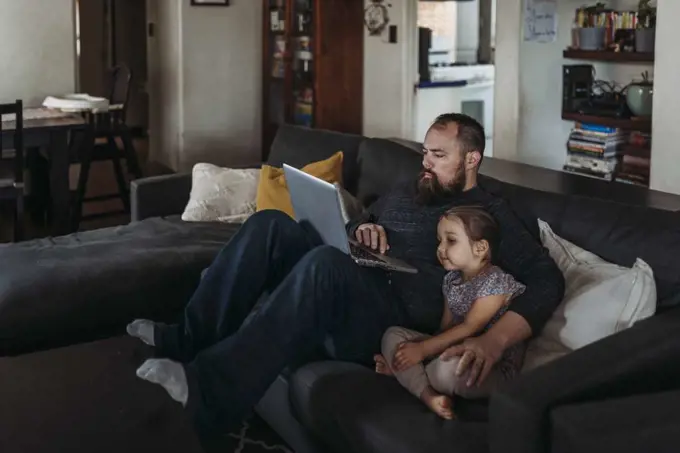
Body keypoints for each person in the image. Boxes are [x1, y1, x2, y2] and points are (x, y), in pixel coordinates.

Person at [126, 113, 565, 449]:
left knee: (325, 265)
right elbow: (365, 219)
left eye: (438, 155)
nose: (425, 163)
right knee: (272, 224)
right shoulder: (412, 189)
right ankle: (184, 338)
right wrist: (362, 231)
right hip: (361, 281)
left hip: (394, 320)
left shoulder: (493, 214)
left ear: (472, 160)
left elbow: (546, 281)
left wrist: (493, 342)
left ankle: (210, 393)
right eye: (425, 151)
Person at [375, 205, 527, 420]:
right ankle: (428, 396)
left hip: (490, 366)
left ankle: (407, 376)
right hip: (454, 349)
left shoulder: (496, 282)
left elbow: (469, 328)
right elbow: (446, 328)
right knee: (393, 335)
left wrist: (422, 350)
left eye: (451, 240)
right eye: (440, 240)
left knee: (447, 371)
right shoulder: (451, 280)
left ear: (480, 248)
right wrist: (419, 348)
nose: (441, 248)